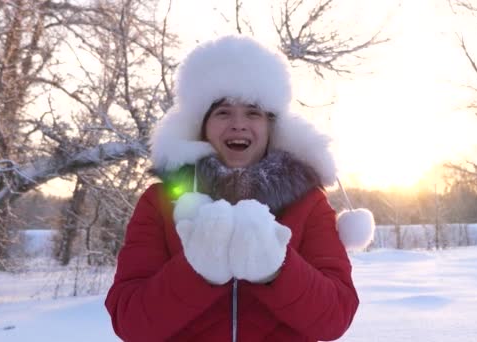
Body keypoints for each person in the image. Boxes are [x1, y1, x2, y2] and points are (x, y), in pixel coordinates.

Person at [105, 35, 374, 342]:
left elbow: (334, 317)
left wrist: (276, 268)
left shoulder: (308, 202)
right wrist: (196, 269)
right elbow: (130, 322)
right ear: (201, 126)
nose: (238, 124)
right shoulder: (159, 202)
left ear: (271, 126)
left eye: (253, 112)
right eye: (222, 112)